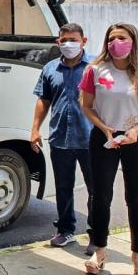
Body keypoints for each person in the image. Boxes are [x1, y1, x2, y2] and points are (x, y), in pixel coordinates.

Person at [79, 22, 138, 275]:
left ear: (133, 41)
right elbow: (86, 106)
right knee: (100, 196)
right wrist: (104, 128)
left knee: (136, 198)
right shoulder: (95, 70)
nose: (115, 43)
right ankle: (99, 251)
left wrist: (136, 131)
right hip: (104, 138)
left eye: (121, 37)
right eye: (111, 38)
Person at [30, 23, 95, 252]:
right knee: (63, 188)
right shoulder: (50, 68)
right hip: (60, 138)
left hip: (91, 139)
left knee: (96, 189)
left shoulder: (95, 67)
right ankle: (65, 230)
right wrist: (35, 129)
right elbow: (43, 100)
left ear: (83, 41)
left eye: (73, 39)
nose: (69, 44)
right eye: (64, 40)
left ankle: (96, 235)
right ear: (58, 42)